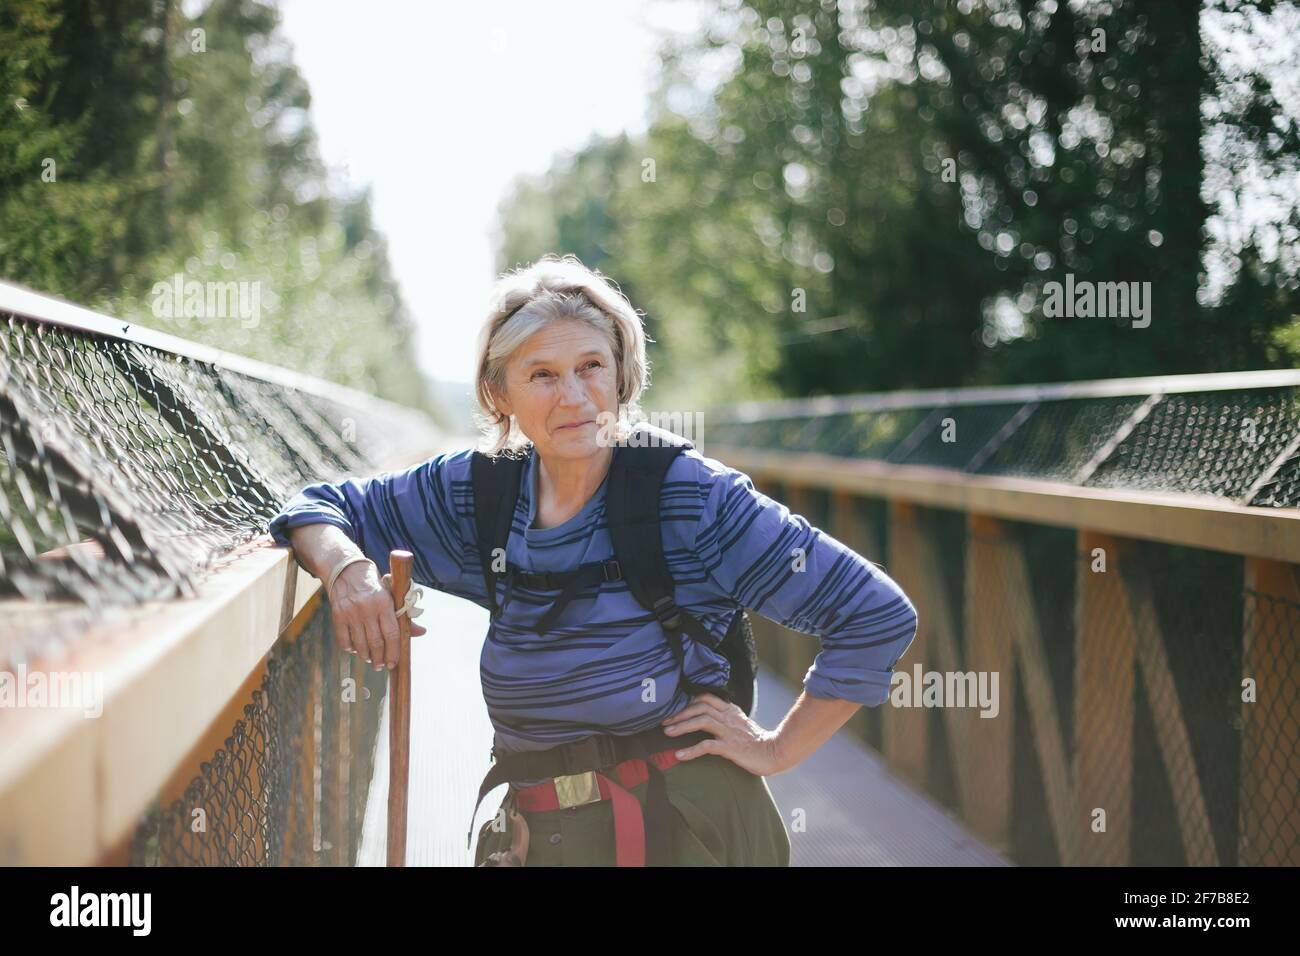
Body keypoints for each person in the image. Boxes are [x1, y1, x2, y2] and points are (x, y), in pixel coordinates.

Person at [267, 253, 919, 866]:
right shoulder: (479, 491)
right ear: (500, 395)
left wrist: (777, 748)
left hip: (684, 827)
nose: (574, 397)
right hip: (543, 831)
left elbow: (875, 614)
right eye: (542, 375)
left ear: (622, 375)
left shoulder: (689, 497)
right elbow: (319, 507)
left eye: (591, 368)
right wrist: (349, 573)